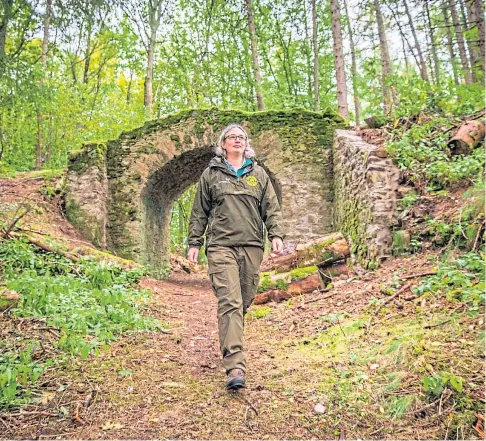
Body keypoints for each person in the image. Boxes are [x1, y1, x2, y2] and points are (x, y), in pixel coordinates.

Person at [187, 124, 284, 391]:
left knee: (244, 299)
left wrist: (276, 235)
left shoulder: (259, 175)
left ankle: (231, 334)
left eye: (241, 137)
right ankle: (235, 366)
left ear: (246, 143)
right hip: (220, 246)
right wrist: (194, 243)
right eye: (232, 137)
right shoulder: (211, 175)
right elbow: (199, 212)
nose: (237, 141)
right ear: (223, 144)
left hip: (252, 245)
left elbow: (271, 208)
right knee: (229, 301)